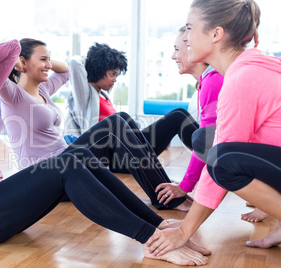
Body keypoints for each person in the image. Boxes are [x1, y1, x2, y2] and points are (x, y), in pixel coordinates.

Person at [0, 29, 209, 266]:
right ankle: (151, 241)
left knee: (78, 155)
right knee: (67, 163)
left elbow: (12, 50)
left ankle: (159, 227)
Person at [145, 0, 281, 257]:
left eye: (189, 28)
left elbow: (221, 159)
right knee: (204, 139)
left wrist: (185, 230)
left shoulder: (243, 78)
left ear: (216, 34)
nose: (185, 38)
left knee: (223, 159)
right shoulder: (245, 69)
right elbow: (217, 145)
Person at [0, 39, 192, 211]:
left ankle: (166, 191)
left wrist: (44, 60)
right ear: (22, 62)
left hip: (66, 163)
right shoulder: (12, 96)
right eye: (43, 59)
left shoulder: (43, 89)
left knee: (123, 118)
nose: (48, 65)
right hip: (44, 177)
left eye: (49, 59)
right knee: (116, 123)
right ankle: (166, 199)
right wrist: (13, 59)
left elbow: (64, 70)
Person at [66, 42, 197, 156]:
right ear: (99, 71)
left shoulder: (103, 95)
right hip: (114, 155)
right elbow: (74, 63)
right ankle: (209, 153)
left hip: (126, 147)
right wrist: (87, 60)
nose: (114, 80)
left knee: (179, 113)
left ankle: (208, 149)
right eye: (112, 74)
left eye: (116, 75)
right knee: (178, 118)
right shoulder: (84, 97)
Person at [155, 27, 223, 206]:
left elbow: (207, 141)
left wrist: (184, 187)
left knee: (200, 137)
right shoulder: (208, 80)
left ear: (193, 49)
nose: (173, 56)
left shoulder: (214, 81)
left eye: (177, 49)